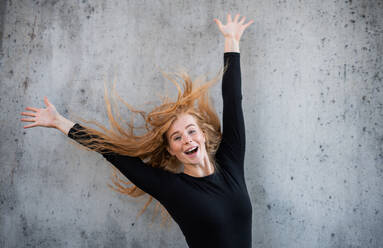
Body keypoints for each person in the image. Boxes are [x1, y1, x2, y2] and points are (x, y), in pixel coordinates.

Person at [20, 13, 254, 248]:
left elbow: (233, 101)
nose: (186, 140)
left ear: (203, 134)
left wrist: (231, 41)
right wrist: (61, 123)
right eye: (177, 137)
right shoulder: (173, 189)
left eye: (191, 131)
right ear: (171, 150)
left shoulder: (231, 163)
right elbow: (112, 153)